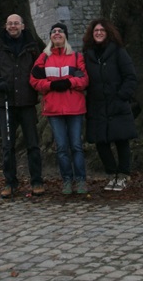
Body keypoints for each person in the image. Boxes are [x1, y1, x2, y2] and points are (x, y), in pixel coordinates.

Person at [0, 14, 44, 199]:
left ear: (23, 26)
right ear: (6, 26)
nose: (13, 26)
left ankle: (37, 181)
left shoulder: (33, 48)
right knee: (7, 146)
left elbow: (40, 71)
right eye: (10, 23)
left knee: (33, 144)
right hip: (6, 104)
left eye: (16, 23)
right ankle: (10, 182)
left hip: (27, 103)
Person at [30, 22, 89, 195]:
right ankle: (67, 181)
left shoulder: (76, 57)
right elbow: (34, 80)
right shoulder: (44, 58)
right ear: (50, 36)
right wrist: (51, 85)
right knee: (62, 147)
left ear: (65, 36)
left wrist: (69, 82)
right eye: (54, 31)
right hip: (54, 109)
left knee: (76, 146)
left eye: (60, 31)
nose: (57, 34)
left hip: (75, 108)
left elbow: (84, 79)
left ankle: (81, 180)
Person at [82, 18, 137, 191]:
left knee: (121, 140)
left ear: (108, 33)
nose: (98, 33)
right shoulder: (87, 55)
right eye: (96, 31)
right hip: (96, 104)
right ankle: (111, 173)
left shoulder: (119, 52)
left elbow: (130, 76)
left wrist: (122, 95)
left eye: (102, 30)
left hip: (116, 102)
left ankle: (123, 175)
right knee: (101, 142)